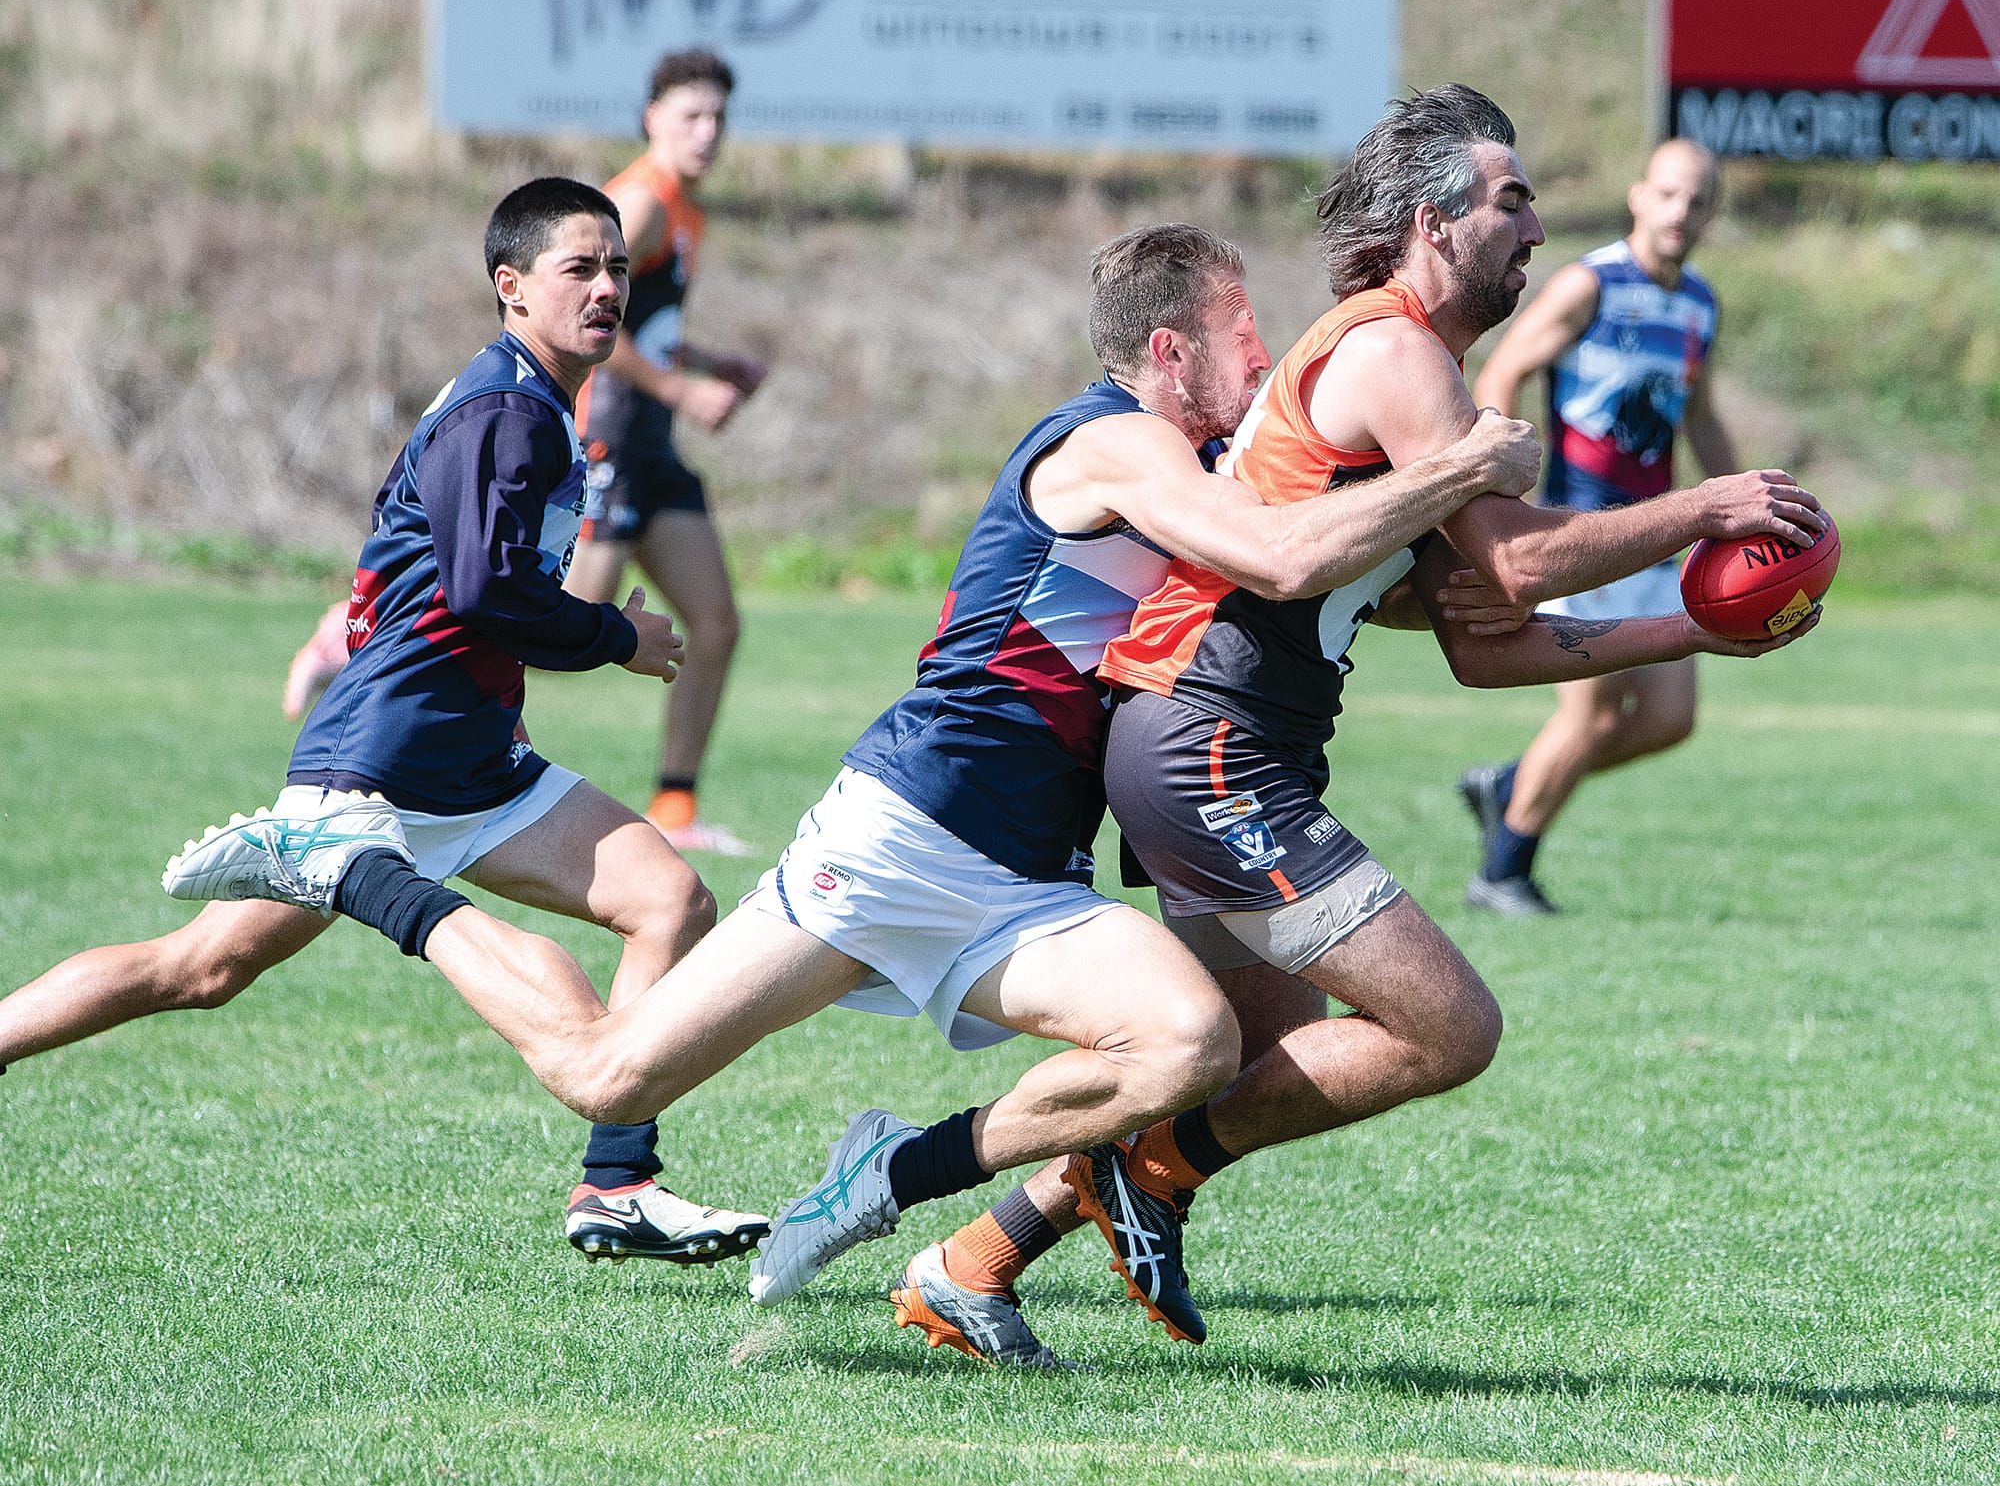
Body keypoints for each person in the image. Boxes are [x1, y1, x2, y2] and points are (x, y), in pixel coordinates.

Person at [162, 223, 1547, 1366]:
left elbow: (1329, 570)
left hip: (1027, 874)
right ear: (1172, 350)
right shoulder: (1117, 444)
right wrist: (1457, 464)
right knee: (608, 1070)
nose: (1277, 353)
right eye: (1251, 333)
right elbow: (1285, 553)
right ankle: (358, 872)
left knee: (1183, 1047)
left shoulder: (1205, 465)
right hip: (902, 833)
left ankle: (888, 1173)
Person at [901, 87, 1825, 1364]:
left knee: (1235, 1061)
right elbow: (1511, 569)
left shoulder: (1406, 363)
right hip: (1205, 741)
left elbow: (1474, 634)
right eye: (1511, 203)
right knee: (1448, 1027)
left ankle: (971, 1263)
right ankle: (1150, 1175)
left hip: (1198, 742)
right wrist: (1700, 510)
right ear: (1432, 222)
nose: (1536, 228)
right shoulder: (1393, 353)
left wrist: (1693, 631)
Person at [0, 178, 770, 1268]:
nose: (606, 290)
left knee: (668, 898)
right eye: (578, 270)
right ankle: (613, 1166)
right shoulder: (505, 412)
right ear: (511, 288)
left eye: (617, 272)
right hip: (385, 755)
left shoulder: (535, 397)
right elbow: (481, 593)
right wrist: (616, 636)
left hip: (476, 759)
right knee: (199, 971)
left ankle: (618, 1184)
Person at [1457, 139, 1735, 915]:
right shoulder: (1591, 284)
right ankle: (1504, 870)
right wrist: (1511, 480)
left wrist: (1741, 502)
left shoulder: (1700, 303)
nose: (1683, 211)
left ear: (1711, 213)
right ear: (1640, 194)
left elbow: (1700, 414)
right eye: (1671, 193)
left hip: (1653, 536)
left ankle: (1511, 785)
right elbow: (1503, 368)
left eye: (1700, 199)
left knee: (1670, 719)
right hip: (1581, 533)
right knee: (1592, 712)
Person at [561, 48, 769, 857]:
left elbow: (642, 326)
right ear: (652, 118)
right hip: (607, 430)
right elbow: (581, 328)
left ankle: (674, 807)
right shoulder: (639, 204)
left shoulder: (685, 208)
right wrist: (684, 390)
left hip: (653, 443)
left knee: (714, 624)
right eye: (691, 115)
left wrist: (711, 363)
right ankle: (361, 641)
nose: (708, 131)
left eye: (719, 116)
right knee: (566, 629)